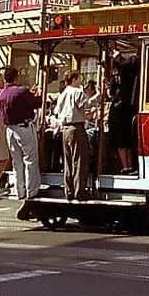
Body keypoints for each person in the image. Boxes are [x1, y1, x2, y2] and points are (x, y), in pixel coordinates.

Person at [0, 66, 42, 219]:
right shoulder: (21, 91)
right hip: (23, 127)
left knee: (17, 162)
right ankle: (32, 191)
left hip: (10, 129)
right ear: (16, 77)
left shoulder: (2, 93)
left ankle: (20, 190)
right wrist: (37, 94)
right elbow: (36, 103)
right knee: (30, 159)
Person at [53, 71, 90, 201]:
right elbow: (86, 105)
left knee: (68, 160)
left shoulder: (63, 94)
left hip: (65, 128)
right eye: (79, 78)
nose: (80, 81)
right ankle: (79, 191)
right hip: (76, 127)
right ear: (74, 79)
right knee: (79, 160)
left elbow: (57, 111)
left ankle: (69, 190)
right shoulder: (77, 92)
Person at [107, 51, 138, 174]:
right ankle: (130, 165)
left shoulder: (119, 75)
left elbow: (112, 92)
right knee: (128, 139)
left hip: (119, 109)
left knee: (120, 140)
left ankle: (125, 166)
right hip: (130, 108)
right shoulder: (133, 73)